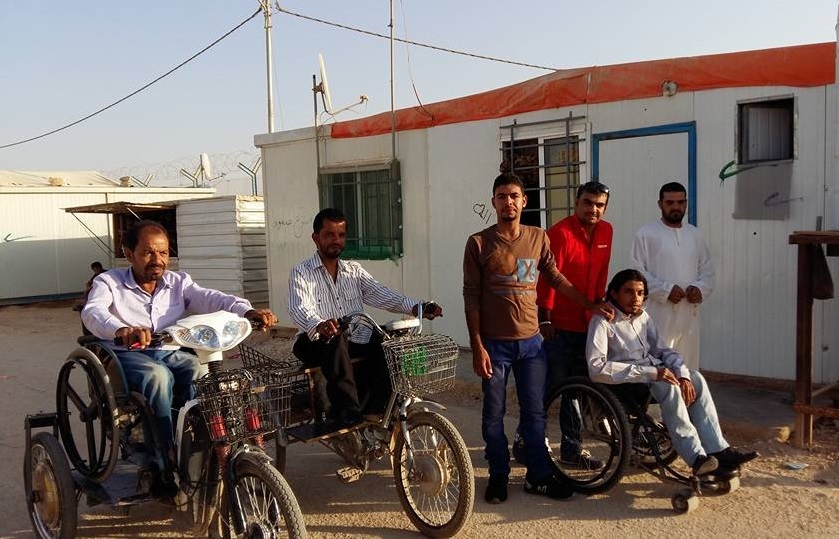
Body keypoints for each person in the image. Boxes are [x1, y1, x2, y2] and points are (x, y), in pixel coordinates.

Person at [81, 220, 277, 494]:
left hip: (170, 351)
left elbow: (210, 297)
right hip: (126, 355)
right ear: (129, 253)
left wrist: (246, 311)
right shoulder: (109, 282)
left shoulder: (178, 282)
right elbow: (92, 312)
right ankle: (162, 457)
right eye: (148, 252)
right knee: (157, 377)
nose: (157, 260)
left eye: (163, 253)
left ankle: (194, 444)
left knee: (199, 369)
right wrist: (121, 329)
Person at [463, 172, 614, 504]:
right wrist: (477, 345)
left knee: (534, 413)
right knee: (494, 413)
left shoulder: (537, 237)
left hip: (531, 344)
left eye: (514, 196)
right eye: (502, 196)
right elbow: (471, 297)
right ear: (494, 202)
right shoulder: (478, 243)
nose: (508, 202)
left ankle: (538, 476)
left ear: (524, 201)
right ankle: (498, 475)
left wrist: (591, 304)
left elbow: (556, 278)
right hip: (495, 345)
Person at [586, 268, 757, 476]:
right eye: (628, 292)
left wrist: (682, 373)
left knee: (696, 378)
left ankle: (718, 450)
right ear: (614, 294)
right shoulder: (604, 321)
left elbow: (664, 350)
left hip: (652, 375)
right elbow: (597, 368)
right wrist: (652, 373)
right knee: (669, 385)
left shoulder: (642, 317)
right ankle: (696, 458)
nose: (635, 298)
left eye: (640, 293)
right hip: (626, 383)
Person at [287, 207, 442, 427]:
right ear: (316, 238)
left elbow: (383, 294)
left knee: (389, 340)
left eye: (341, 235)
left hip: (352, 339)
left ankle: (375, 408)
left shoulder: (354, 271)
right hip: (314, 341)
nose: (336, 240)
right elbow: (299, 308)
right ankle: (347, 408)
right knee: (336, 338)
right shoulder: (301, 272)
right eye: (330, 234)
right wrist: (319, 324)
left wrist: (417, 306)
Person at [513, 181, 613, 470]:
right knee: (549, 387)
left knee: (577, 388)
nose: (593, 209)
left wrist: (599, 306)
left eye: (599, 205)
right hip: (557, 325)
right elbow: (543, 278)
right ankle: (524, 441)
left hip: (588, 323)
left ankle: (572, 449)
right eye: (588, 202)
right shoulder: (559, 234)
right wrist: (544, 318)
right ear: (576, 202)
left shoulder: (607, 231)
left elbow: (602, 273)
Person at [630, 181, 715, 371]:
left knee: (688, 365)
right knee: (659, 366)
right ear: (660, 204)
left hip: (689, 315)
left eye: (680, 202)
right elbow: (637, 272)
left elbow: (708, 269)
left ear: (686, 204)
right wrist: (665, 290)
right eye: (670, 202)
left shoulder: (695, 235)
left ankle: (686, 400)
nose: (676, 207)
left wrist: (699, 289)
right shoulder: (646, 234)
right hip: (658, 314)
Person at [74, 261, 106, 335]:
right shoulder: (95, 276)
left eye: (96, 269)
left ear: (99, 268)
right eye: (94, 270)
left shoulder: (105, 275)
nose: (95, 271)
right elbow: (90, 286)